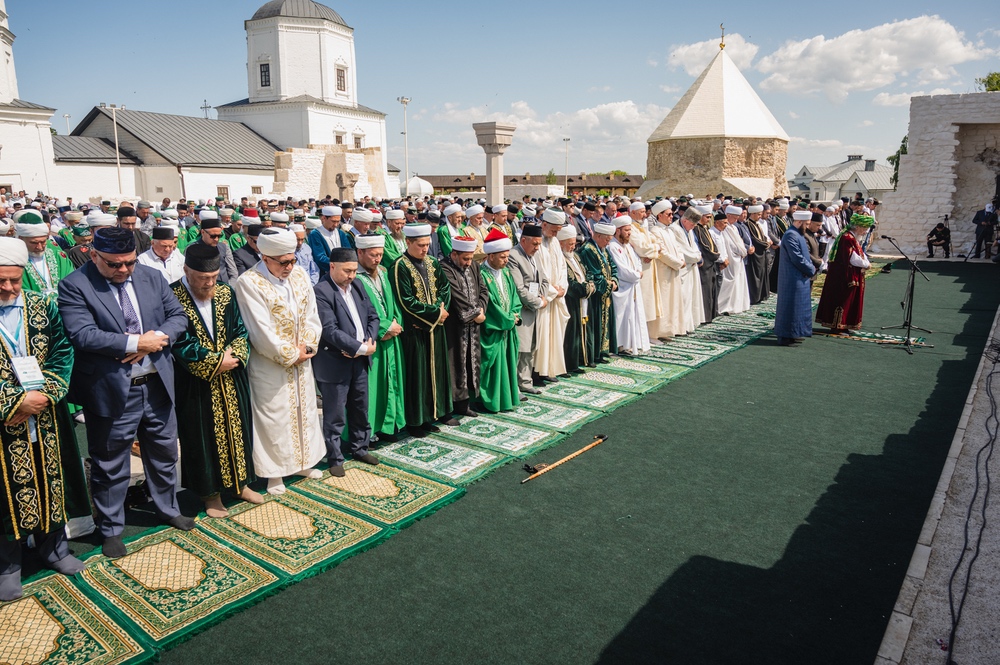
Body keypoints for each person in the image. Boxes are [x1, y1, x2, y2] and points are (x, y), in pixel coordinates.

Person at [58, 227, 193, 558]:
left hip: (157, 384)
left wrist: (157, 337)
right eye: (114, 265)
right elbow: (83, 335)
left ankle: (167, 506)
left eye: (129, 263)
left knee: (164, 454)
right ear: (94, 255)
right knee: (110, 462)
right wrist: (135, 343)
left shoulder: (150, 276)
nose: (123, 270)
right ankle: (111, 528)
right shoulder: (75, 285)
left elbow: (178, 317)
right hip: (113, 390)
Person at [0, 237, 90, 601]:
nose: (7, 288)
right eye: (0, 281)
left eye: (13, 281)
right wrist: (14, 402)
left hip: (46, 413)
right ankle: (8, 564)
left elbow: (62, 350)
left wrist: (45, 394)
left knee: (52, 478)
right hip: (5, 421)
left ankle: (54, 549)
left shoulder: (40, 305)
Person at [171, 243, 262, 518]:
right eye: (202, 279)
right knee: (201, 438)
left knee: (238, 431)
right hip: (196, 383)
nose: (208, 283)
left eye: (213, 277)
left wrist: (234, 358)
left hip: (232, 378)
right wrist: (213, 362)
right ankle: (210, 495)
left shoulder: (224, 292)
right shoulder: (172, 296)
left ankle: (240, 484)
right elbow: (178, 342)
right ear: (187, 271)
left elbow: (240, 331)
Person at [234, 229, 325, 495]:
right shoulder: (249, 282)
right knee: (275, 417)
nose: (288, 267)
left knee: (303, 411)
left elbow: (311, 313)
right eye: (282, 262)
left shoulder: (298, 274)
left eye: (292, 260)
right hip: (270, 365)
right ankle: (274, 473)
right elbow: (259, 329)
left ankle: (304, 462)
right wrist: (290, 353)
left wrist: (308, 345)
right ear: (264, 256)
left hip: (302, 359)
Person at [313, 247, 381, 477]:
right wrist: (359, 348)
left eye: (354, 271)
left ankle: (360, 448)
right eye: (347, 271)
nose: (351, 276)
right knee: (335, 414)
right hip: (335, 362)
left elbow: (373, 315)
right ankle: (335, 457)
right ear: (332, 266)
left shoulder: (358, 286)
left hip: (359, 360)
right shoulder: (321, 291)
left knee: (360, 407)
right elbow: (329, 330)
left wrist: (369, 341)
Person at [390, 223, 454, 437]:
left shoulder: (433, 262)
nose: (425, 249)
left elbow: (445, 287)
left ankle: (437, 413)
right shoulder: (400, 266)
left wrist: (442, 309)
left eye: (427, 245)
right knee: (419, 376)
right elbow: (405, 301)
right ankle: (417, 421)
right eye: (420, 245)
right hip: (415, 331)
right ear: (408, 242)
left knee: (437, 371)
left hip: (437, 328)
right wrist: (435, 314)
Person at [354, 233, 407, 442]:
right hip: (373, 340)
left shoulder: (383, 273)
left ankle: (390, 425)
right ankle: (371, 430)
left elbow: (392, 303)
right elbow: (359, 313)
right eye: (373, 255)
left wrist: (395, 323)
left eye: (380, 254)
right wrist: (384, 328)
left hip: (391, 337)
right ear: (360, 253)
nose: (377, 259)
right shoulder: (355, 278)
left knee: (391, 382)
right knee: (373, 388)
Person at [440, 235, 488, 418]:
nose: (468, 263)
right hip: (454, 327)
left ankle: (464, 405)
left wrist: (481, 310)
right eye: (465, 258)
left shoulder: (474, 266)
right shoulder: (445, 267)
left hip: (473, 327)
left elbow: (483, 290)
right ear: (454, 254)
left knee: (470, 364)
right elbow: (455, 294)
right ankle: (448, 410)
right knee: (454, 365)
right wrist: (475, 314)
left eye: (470, 258)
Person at [478, 228, 522, 412]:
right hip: (492, 331)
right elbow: (491, 306)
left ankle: (508, 398)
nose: (506, 260)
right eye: (503, 257)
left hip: (507, 328)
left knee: (509, 365)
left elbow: (514, 298)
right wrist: (508, 319)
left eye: (507, 257)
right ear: (491, 255)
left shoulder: (505, 273)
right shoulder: (481, 275)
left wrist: (514, 313)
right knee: (493, 369)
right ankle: (493, 402)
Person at [507, 224, 549, 394]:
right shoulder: (513, 256)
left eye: (539, 244)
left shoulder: (534, 254)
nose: (537, 248)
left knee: (530, 348)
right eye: (535, 244)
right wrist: (537, 302)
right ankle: (514, 387)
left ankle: (525, 382)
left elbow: (544, 280)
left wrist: (541, 297)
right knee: (520, 349)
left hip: (534, 307)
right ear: (523, 240)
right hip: (522, 309)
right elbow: (519, 288)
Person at [816, 214, 875, 333]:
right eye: (864, 229)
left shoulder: (852, 238)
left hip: (850, 275)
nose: (865, 232)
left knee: (849, 300)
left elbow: (860, 254)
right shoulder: (847, 238)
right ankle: (838, 325)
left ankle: (846, 324)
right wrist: (866, 265)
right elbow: (852, 258)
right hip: (844, 277)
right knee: (842, 300)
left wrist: (865, 261)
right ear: (857, 227)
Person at [534, 208, 570, 379]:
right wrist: (553, 291)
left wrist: (562, 287)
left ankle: (550, 369)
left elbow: (562, 267)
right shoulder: (536, 240)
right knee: (541, 334)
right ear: (545, 224)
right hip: (544, 296)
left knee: (554, 334)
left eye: (558, 231)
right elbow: (537, 271)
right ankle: (537, 372)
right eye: (554, 230)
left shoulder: (555, 242)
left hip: (556, 295)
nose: (556, 234)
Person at [608, 217, 650, 355]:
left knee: (632, 316)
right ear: (617, 231)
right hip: (622, 289)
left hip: (632, 287)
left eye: (629, 230)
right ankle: (619, 346)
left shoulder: (627, 246)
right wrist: (637, 275)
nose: (629, 233)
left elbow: (637, 262)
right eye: (626, 230)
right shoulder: (613, 247)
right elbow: (622, 270)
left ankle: (629, 344)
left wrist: (638, 272)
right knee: (621, 317)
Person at [774, 211, 816, 346]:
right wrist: (811, 269)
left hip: (799, 276)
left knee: (798, 307)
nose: (808, 227)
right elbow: (797, 257)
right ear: (799, 222)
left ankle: (794, 333)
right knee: (789, 307)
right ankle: (785, 336)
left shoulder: (797, 234)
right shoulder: (791, 235)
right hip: (792, 277)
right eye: (806, 224)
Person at [578, 221, 618, 365]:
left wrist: (614, 280)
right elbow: (594, 274)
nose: (608, 243)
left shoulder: (603, 249)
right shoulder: (588, 250)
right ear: (599, 236)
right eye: (607, 239)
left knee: (604, 324)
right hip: (595, 296)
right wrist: (609, 285)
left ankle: (602, 351)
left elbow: (613, 266)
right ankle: (593, 355)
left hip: (605, 295)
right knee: (594, 326)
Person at [647, 200, 685, 340]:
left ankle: (667, 330)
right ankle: (656, 333)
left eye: (672, 214)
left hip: (673, 270)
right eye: (669, 214)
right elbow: (662, 253)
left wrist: (681, 260)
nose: (671, 216)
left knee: (672, 301)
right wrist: (677, 263)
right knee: (662, 302)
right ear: (660, 215)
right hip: (663, 272)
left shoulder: (669, 231)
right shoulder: (655, 231)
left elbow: (678, 248)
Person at [14, 210, 73, 300]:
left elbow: (71, 281)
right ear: (21, 238)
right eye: (34, 243)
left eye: (43, 241)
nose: (40, 247)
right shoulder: (15, 261)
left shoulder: (59, 256)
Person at [559, 225, 594, 373]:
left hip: (583, 301)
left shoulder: (576, 257)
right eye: (570, 244)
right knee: (570, 335)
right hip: (570, 301)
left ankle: (580, 360)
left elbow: (588, 272)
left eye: (574, 244)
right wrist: (586, 288)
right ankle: (569, 365)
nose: (573, 247)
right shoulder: (561, 259)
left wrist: (590, 284)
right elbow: (570, 284)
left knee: (581, 332)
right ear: (561, 244)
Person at [670, 206, 706, 332]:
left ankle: (688, 325)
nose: (694, 226)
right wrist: (697, 257)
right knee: (683, 298)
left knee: (691, 298)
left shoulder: (688, 229)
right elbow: (684, 251)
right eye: (692, 224)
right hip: (683, 269)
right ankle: (681, 327)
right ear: (685, 220)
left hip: (692, 267)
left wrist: (697, 256)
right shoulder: (675, 229)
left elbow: (694, 247)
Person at [692, 206, 721, 322]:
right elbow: (705, 248)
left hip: (710, 265)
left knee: (711, 290)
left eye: (710, 217)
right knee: (705, 292)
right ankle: (705, 316)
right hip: (704, 265)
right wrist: (715, 256)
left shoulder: (704, 228)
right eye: (707, 217)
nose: (709, 220)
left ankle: (711, 314)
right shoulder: (697, 229)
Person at [191, 213, 238, 283]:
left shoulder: (224, 247)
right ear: (203, 232)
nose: (216, 239)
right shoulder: (192, 249)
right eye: (213, 236)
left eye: (219, 236)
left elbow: (233, 273)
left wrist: (228, 289)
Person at [308, 205, 353, 275]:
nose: (336, 225)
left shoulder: (341, 233)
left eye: (338, 222)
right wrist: (338, 265)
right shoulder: (315, 234)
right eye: (333, 221)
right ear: (324, 218)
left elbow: (348, 252)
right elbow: (320, 258)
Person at [744, 204, 771, 304]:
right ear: (753, 213)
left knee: (763, 274)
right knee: (755, 277)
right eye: (758, 214)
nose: (760, 216)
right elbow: (755, 240)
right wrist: (766, 244)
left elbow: (762, 236)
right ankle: (755, 297)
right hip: (756, 255)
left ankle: (762, 295)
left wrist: (766, 242)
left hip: (761, 254)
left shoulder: (756, 224)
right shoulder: (748, 224)